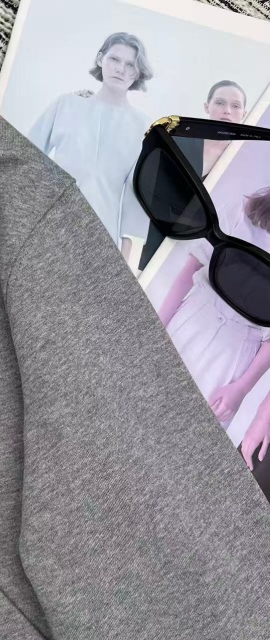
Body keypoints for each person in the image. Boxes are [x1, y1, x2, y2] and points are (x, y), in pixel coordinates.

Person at [28, 32, 153, 256]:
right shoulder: (66, 104)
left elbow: (136, 198)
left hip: (100, 236)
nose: (120, 69)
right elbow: (28, 159)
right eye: (114, 59)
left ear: (137, 72)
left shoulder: (143, 127)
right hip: (47, 224)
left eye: (130, 65)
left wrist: (125, 258)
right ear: (100, 59)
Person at [157, 186, 270, 430]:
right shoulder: (243, 211)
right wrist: (155, 325)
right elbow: (191, 268)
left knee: (187, 433)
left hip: (233, 354)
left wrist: (242, 388)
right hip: (191, 320)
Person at [139, 81, 248, 270]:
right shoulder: (176, 143)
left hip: (185, 256)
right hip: (146, 237)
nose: (227, 111)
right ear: (207, 107)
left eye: (235, 106)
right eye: (220, 103)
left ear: (244, 114)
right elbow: (148, 189)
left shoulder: (239, 166)